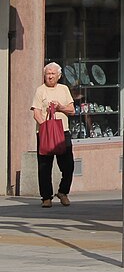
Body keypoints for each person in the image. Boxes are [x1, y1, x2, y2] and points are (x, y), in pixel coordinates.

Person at [31, 62, 76, 207]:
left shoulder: (64, 89)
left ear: (59, 76)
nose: (50, 77)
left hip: (63, 132)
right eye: (47, 74)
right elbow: (36, 112)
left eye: (52, 74)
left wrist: (60, 107)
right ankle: (46, 197)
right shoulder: (40, 90)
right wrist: (45, 128)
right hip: (45, 133)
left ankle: (63, 192)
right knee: (44, 166)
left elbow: (72, 110)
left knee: (68, 165)